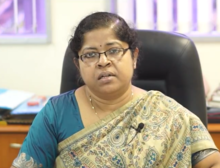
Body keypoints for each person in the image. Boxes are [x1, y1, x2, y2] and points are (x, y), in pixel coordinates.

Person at [11, 12, 220, 168]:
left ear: (134, 57)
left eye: (113, 50)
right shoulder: (56, 113)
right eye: (90, 54)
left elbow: (211, 163)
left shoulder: (167, 111)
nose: (103, 62)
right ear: (78, 65)